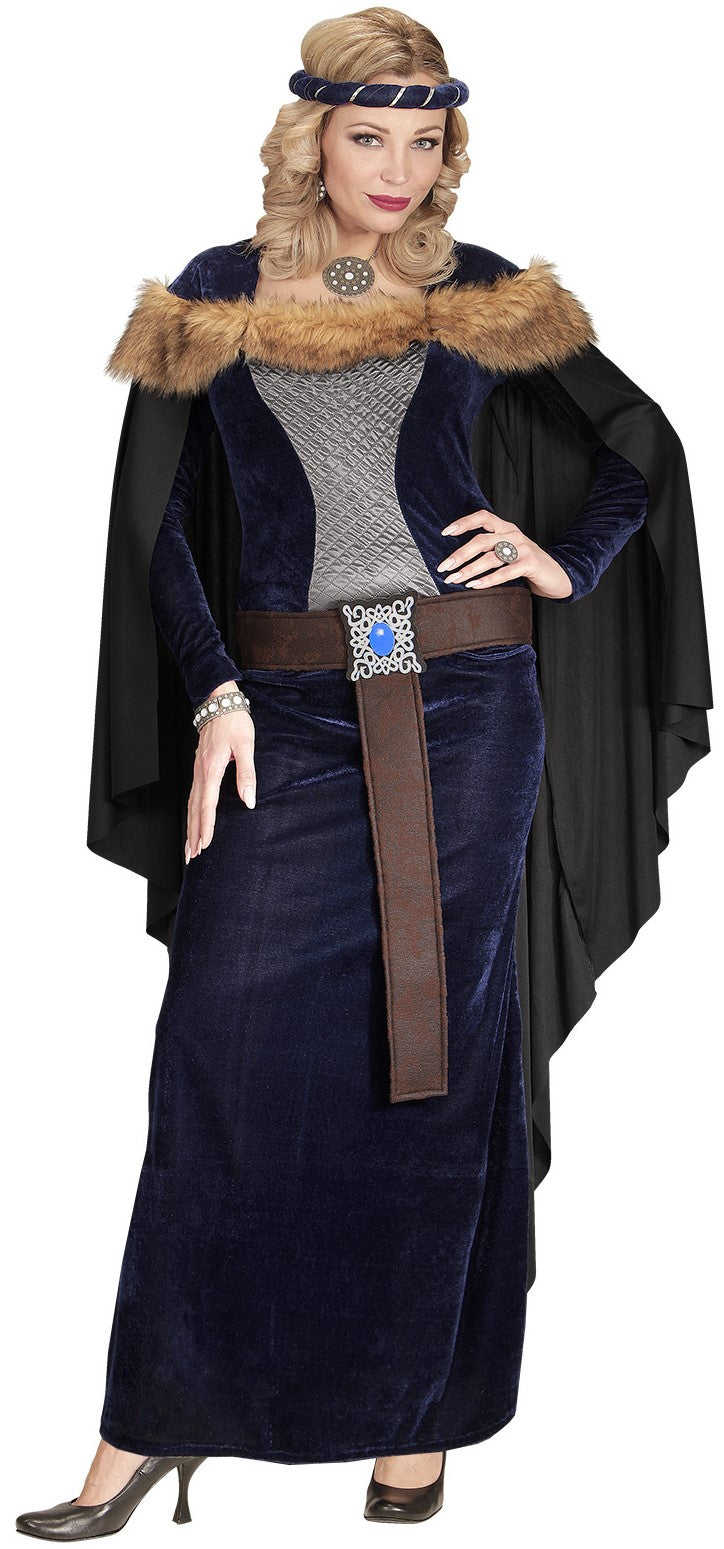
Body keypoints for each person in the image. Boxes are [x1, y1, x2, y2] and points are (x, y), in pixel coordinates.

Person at [16, 6, 712, 1537]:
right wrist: (214, 691)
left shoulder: (480, 291)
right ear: (310, 137)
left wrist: (565, 557)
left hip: (467, 712)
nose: (395, 168)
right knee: (215, 1054)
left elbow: (639, 445)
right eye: (366, 134)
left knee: (434, 1067)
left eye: (423, 138)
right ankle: (147, 1423)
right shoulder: (216, 294)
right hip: (284, 715)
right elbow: (158, 524)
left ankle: (420, 1422)